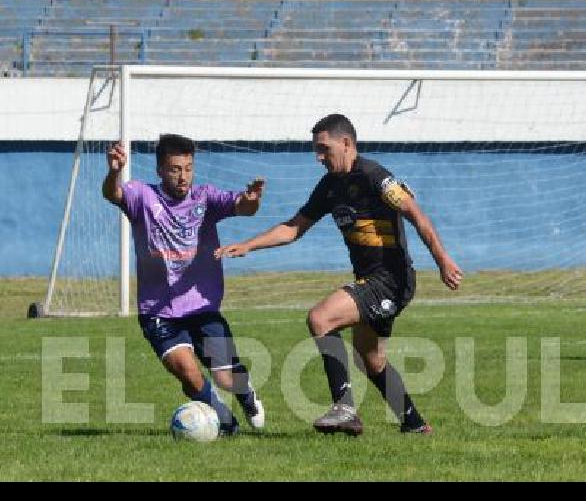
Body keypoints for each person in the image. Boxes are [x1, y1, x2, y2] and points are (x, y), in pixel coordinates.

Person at [216, 113, 463, 436]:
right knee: (371, 360)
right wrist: (250, 245)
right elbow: (294, 227)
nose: (319, 157)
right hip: (370, 280)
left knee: (320, 318)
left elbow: (415, 214)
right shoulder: (330, 186)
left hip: (390, 279)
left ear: (346, 143)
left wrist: (442, 260)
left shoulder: (375, 176)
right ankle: (415, 424)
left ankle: (344, 408)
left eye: (324, 149)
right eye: (316, 151)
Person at [102, 134, 266, 436]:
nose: (183, 177)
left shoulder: (205, 198)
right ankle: (224, 423)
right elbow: (113, 194)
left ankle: (245, 393)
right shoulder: (142, 197)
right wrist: (114, 171)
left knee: (226, 378)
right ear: (160, 170)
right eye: (176, 169)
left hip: (201, 306)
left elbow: (243, 207)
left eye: (188, 168)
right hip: (158, 312)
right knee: (190, 375)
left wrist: (252, 199)